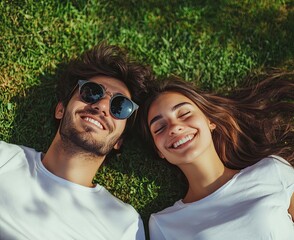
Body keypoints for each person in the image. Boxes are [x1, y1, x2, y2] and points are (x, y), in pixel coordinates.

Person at [0, 43, 153, 240]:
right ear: (61, 109)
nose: (102, 106)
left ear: (119, 141)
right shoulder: (5, 158)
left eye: (120, 107)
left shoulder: (124, 224)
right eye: (91, 92)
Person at [138, 71, 294, 240]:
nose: (174, 127)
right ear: (159, 151)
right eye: (160, 128)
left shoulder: (272, 170)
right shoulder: (163, 224)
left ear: (210, 121)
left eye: (184, 114)